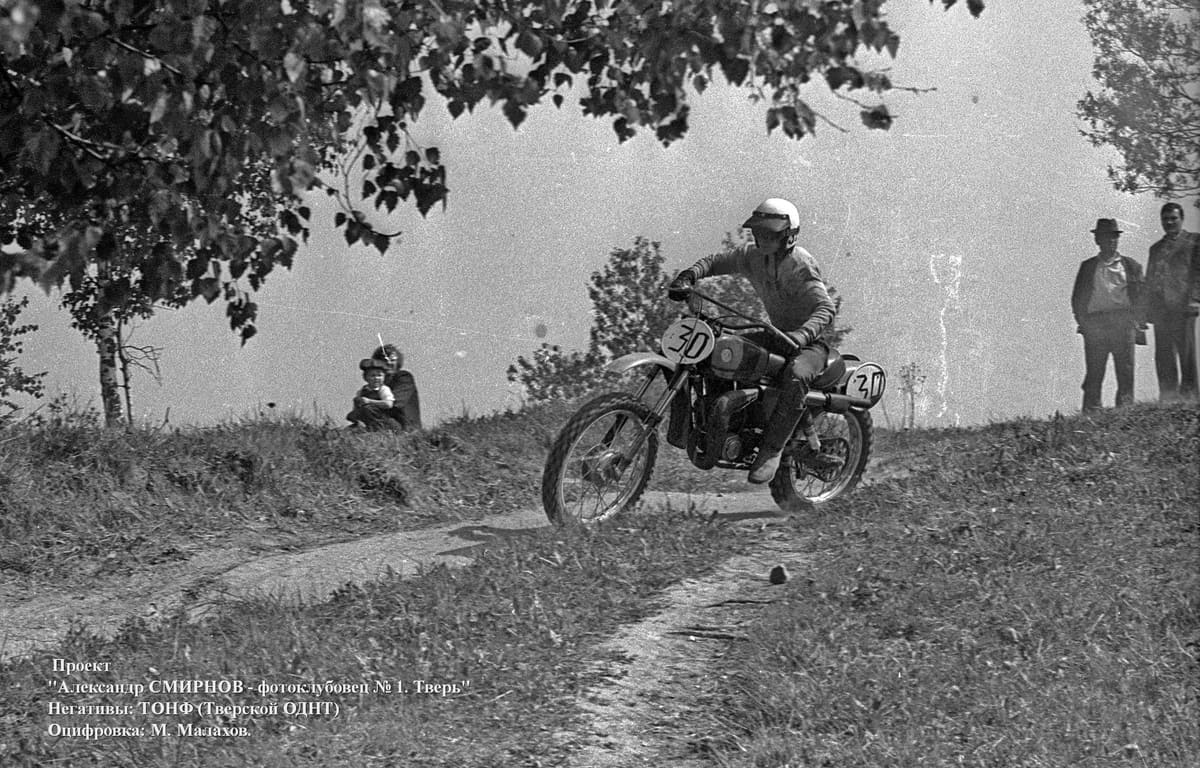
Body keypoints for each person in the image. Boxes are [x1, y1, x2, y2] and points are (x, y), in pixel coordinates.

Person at [667, 198, 836, 484]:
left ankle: (772, 451)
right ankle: (720, 425)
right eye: (759, 232)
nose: (762, 238)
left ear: (788, 235)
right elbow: (716, 262)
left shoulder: (800, 265)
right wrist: (690, 275)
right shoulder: (752, 256)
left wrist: (802, 335)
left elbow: (825, 309)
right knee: (724, 350)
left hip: (808, 345)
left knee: (796, 375)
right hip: (775, 336)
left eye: (770, 233)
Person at [1070, 218, 1145, 412]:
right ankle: (1090, 413)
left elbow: (1142, 296)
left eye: (1114, 237)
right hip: (1096, 325)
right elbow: (1077, 298)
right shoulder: (1088, 267)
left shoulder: (1131, 266)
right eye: (1105, 237)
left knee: (1125, 370)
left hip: (1123, 322)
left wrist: (1136, 320)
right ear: (1097, 240)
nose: (1110, 241)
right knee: (1095, 371)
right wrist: (1084, 322)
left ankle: (1125, 412)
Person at [1142, 202, 1200, 401]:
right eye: (1165, 219)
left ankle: (1190, 398)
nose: (1169, 222)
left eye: (1173, 218)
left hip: (1183, 307)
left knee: (1186, 355)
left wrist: (1194, 299)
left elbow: (1197, 273)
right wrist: (1147, 310)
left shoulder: (1194, 241)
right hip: (1161, 310)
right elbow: (1149, 280)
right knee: (1164, 355)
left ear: (1182, 219)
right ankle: (1168, 398)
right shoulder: (1155, 248)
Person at [371, 343, 423, 430]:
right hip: (383, 427)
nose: (388, 362)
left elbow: (394, 404)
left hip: (406, 430)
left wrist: (368, 405)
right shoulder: (376, 385)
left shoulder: (403, 377)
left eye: (392, 360)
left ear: (397, 362)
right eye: (384, 360)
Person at [346, 357, 397, 430]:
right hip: (366, 420)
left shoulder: (383, 389)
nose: (376, 378)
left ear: (384, 377)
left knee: (368, 409)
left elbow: (389, 404)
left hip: (382, 420)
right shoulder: (362, 391)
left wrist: (369, 401)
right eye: (372, 376)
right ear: (366, 378)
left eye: (379, 375)